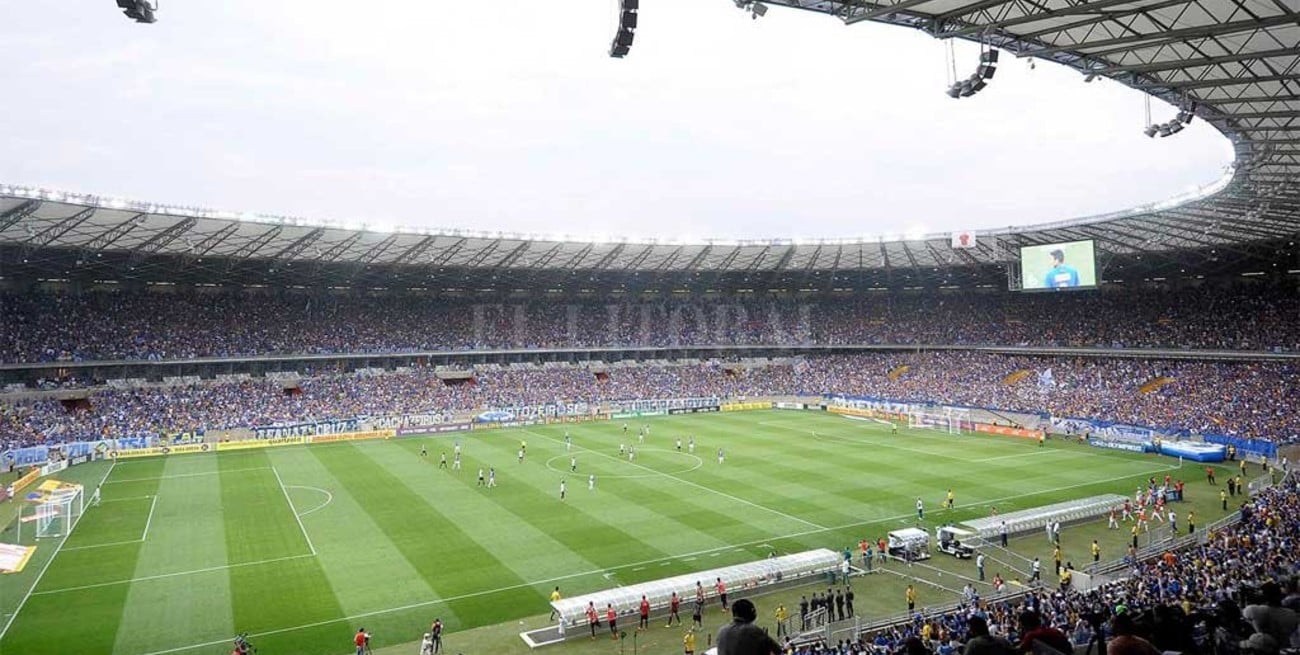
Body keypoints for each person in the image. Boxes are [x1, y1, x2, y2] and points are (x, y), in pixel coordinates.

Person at [715, 599, 782, 655]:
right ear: (751, 612)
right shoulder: (753, 631)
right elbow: (778, 651)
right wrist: (764, 637)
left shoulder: (721, 631)